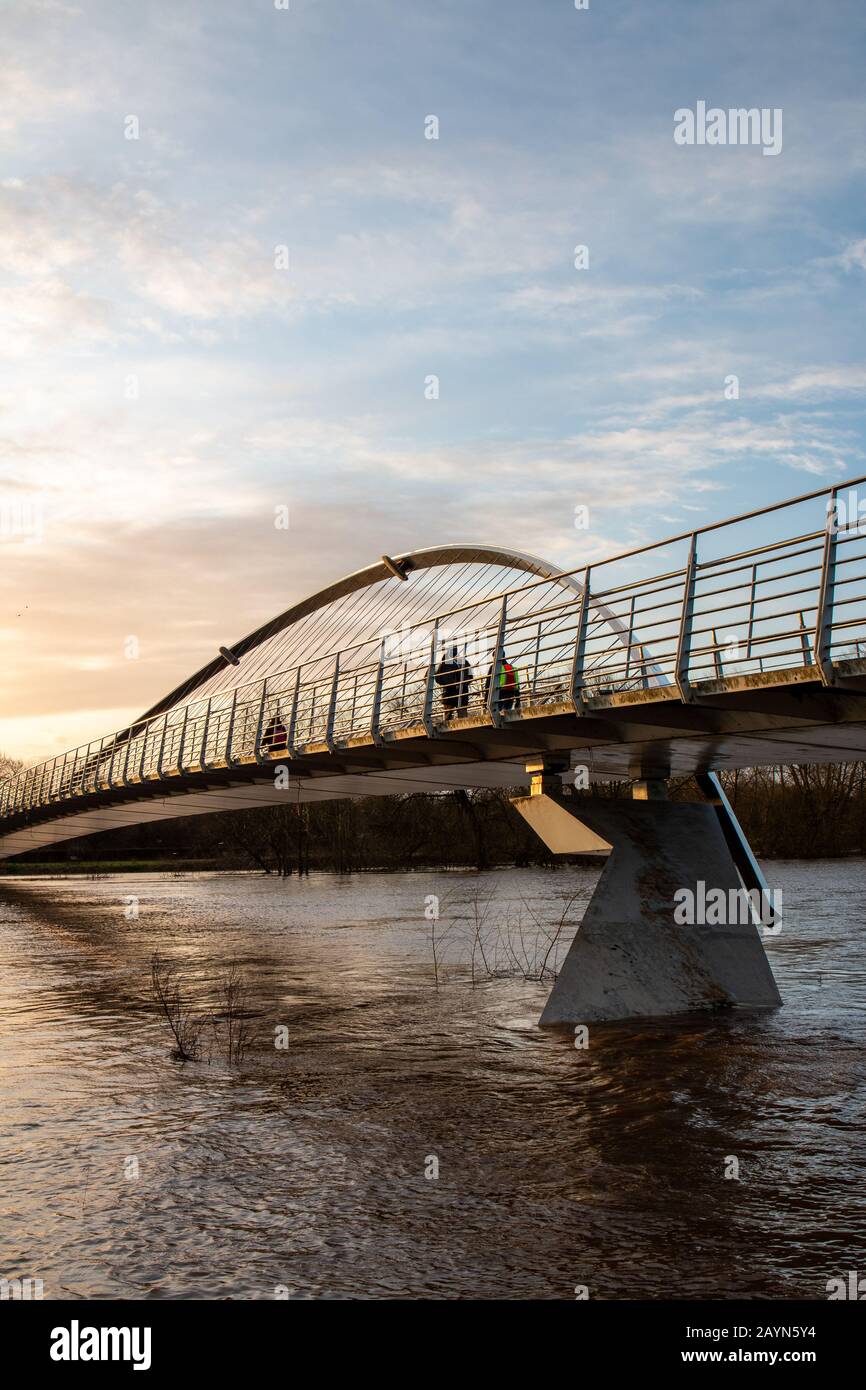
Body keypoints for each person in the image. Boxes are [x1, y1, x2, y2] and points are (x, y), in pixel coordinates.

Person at [434, 646, 462, 718]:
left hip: (448, 691)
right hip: (454, 691)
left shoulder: (444, 663)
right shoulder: (455, 664)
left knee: (448, 715)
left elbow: (437, 678)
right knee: (458, 713)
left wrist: (445, 682)